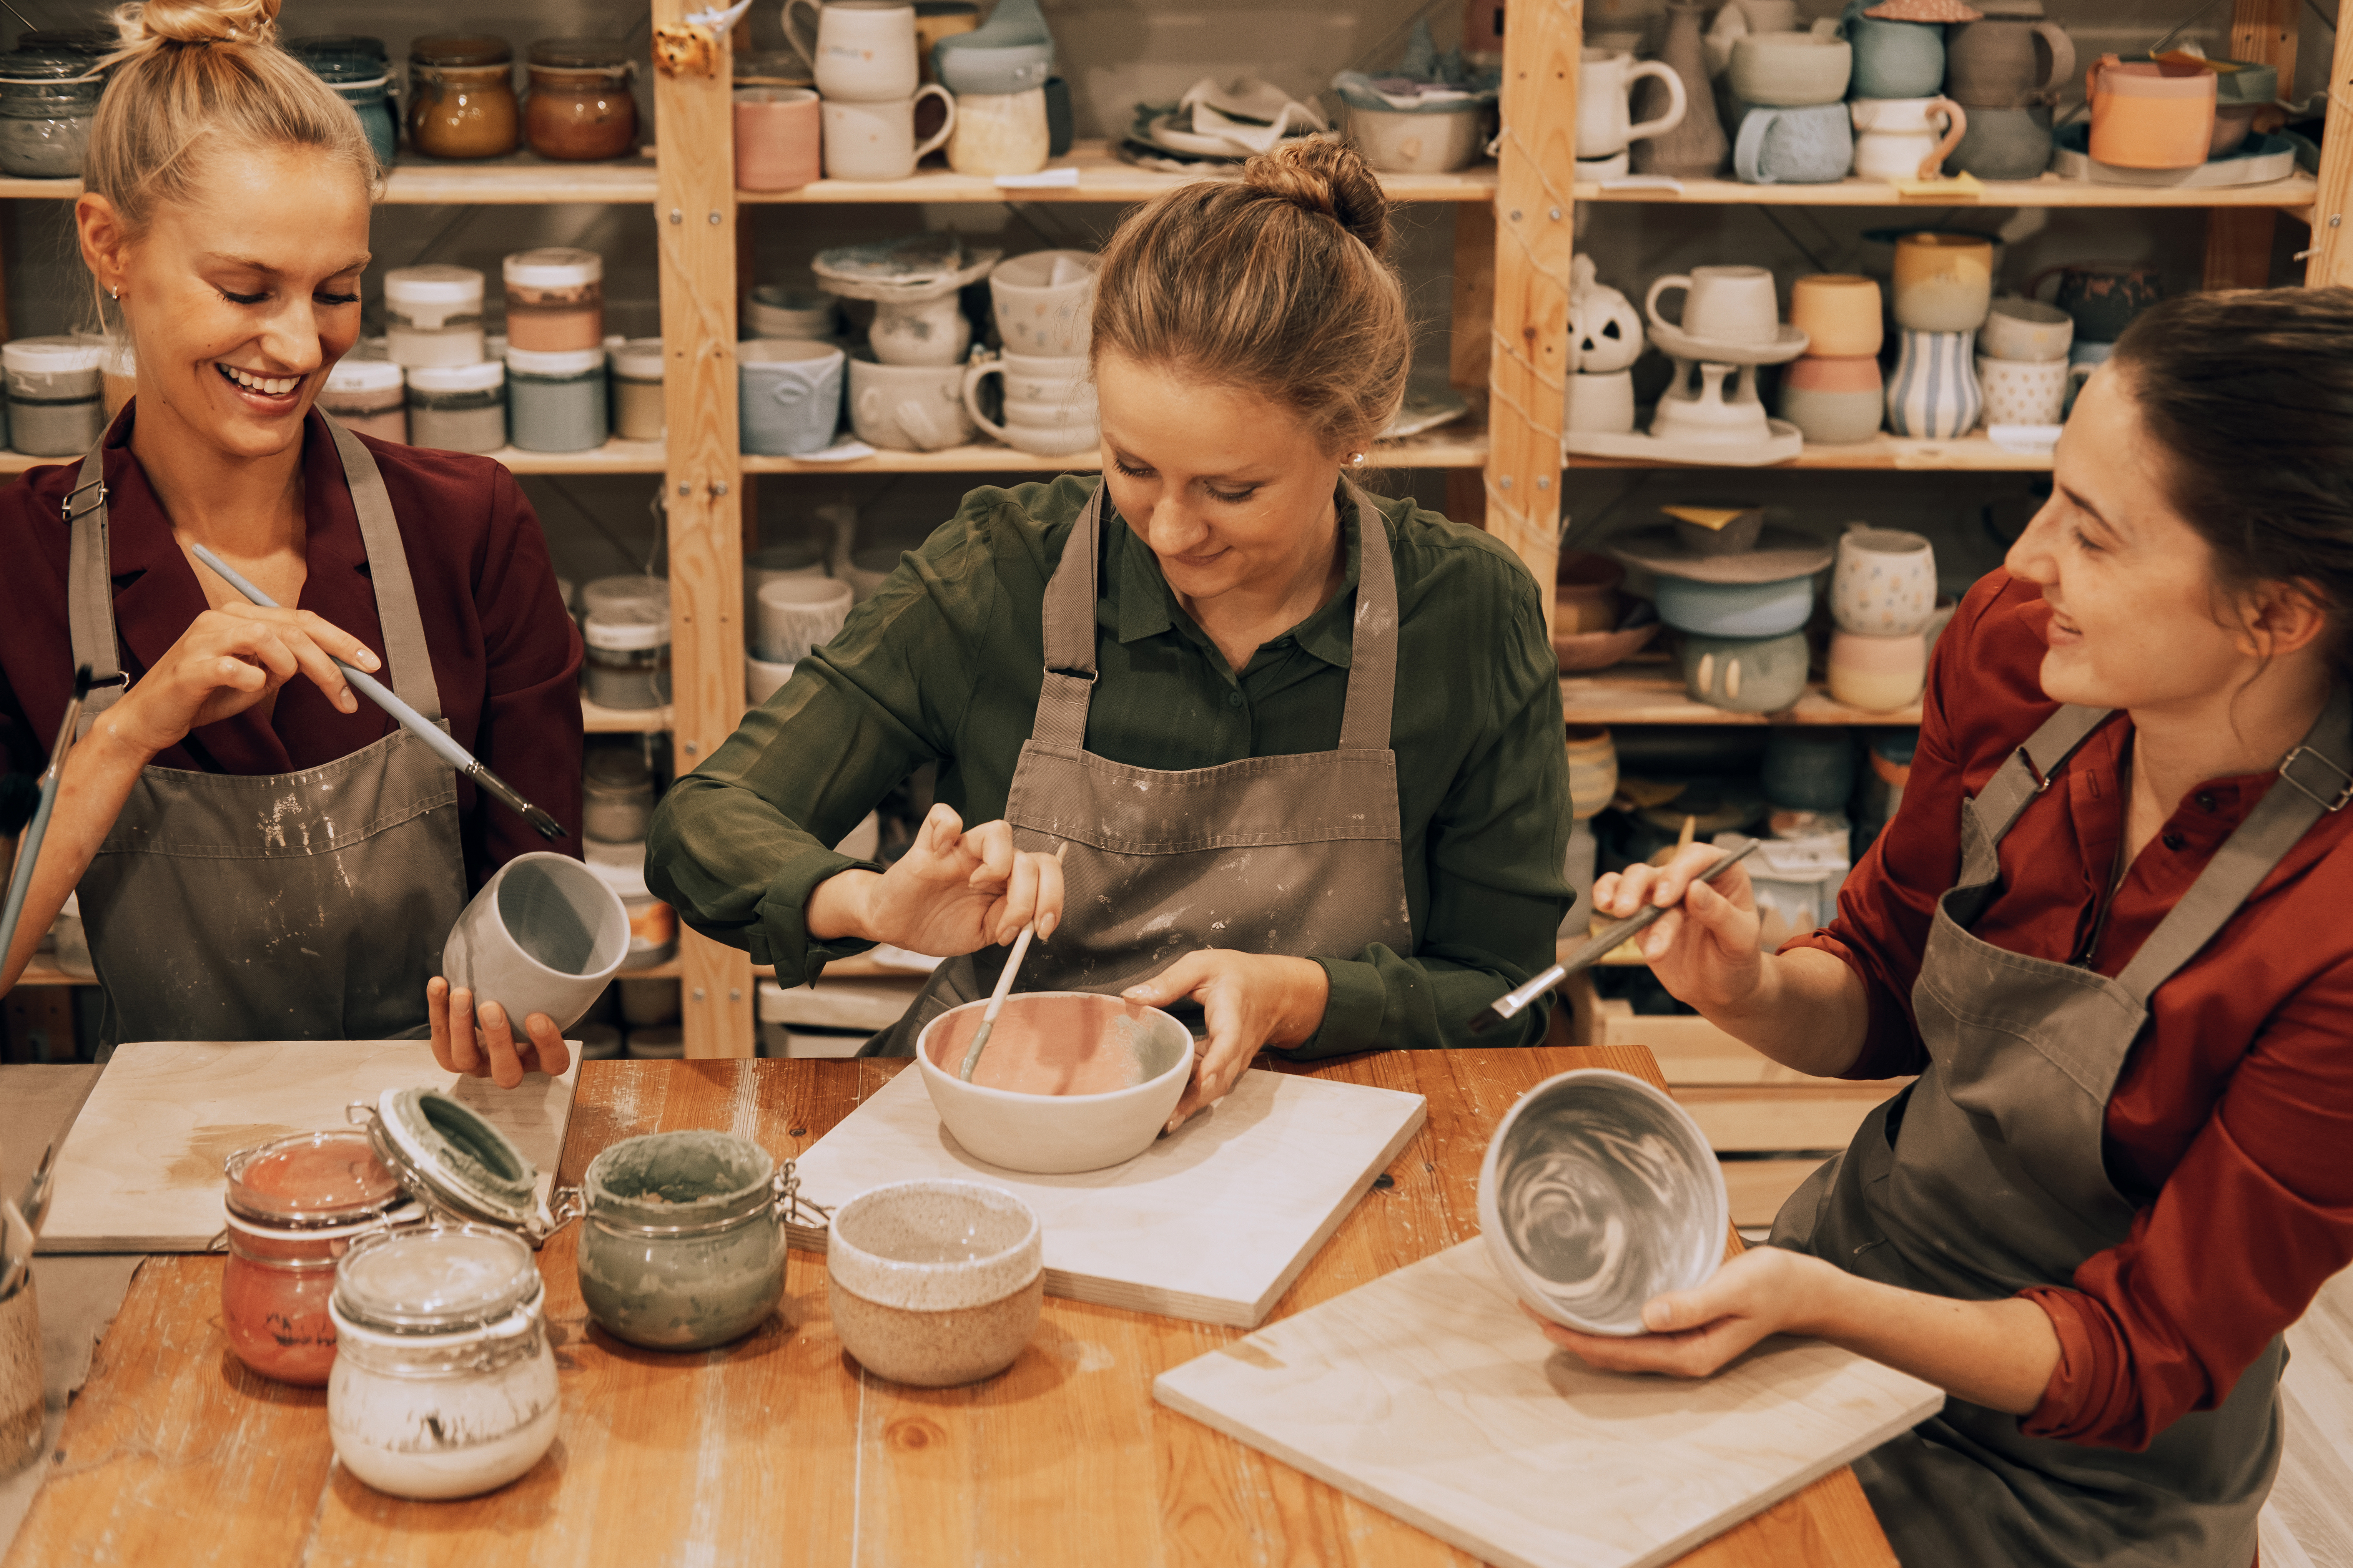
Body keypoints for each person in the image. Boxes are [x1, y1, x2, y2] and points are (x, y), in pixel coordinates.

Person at [1542, 287, 2353, 1567]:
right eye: (2048, 501)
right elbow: (1876, 980)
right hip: (1844, 1276)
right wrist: (1749, 984)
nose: (2028, 561)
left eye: (2091, 537)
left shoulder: (2336, 924)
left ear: (2277, 615)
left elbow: (2141, 1350)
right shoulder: (2013, 655)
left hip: (2087, 1482)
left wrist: (1823, 1309)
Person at [649, 140, 1571, 1123]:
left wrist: (1304, 997)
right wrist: (873, 904)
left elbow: (1506, 992)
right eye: (1132, 466)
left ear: (1358, 430)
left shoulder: (1467, 613)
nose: (1171, 531)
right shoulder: (1003, 570)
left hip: (1310, 1135)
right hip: (1012, 1121)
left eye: (1231, 489)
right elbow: (701, 823)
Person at [0, 0, 583, 1085]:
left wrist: (523, 1009)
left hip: (434, 1133)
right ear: (108, 245)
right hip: (164, 1155)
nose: (299, 343)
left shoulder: (466, 526)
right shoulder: (17, 560)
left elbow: (540, 892)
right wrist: (128, 735)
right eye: (245, 290)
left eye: (339, 292)